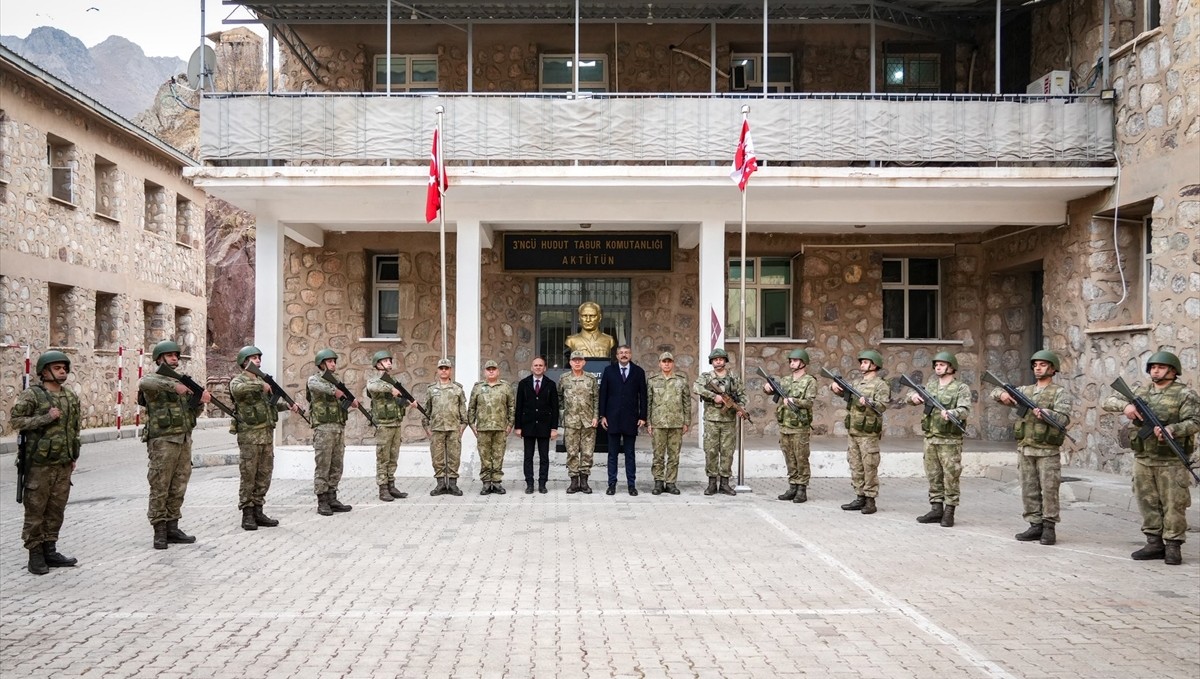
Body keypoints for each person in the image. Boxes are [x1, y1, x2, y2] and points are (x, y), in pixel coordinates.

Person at [1102, 350, 1199, 565]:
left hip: (1171, 460)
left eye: (1161, 367)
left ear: (1173, 371)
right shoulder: (1141, 392)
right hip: (1144, 458)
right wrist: (1126, 406)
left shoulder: (1185, 394)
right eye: (1153, 367)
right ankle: (1154, 543)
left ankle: (1173, 545)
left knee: (1174, 504)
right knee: (1147, 501)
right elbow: (1107, 401)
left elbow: (1194, 421)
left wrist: (1172, 429)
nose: (1155, 371)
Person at [990, 350, 1073, 545]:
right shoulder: (1025, 391)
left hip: (1047, 451)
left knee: (1049, 490)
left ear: (1052, 369)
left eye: (1043, 365)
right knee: (1029, 489)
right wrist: (1003, 395)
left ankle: (1049, 527)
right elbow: (994, 393)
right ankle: (1035, 525)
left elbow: (1064, 419)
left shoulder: (1059, 392)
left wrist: (1047, 414)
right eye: (1035, 365)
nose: (1038, 368)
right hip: (1026, 448)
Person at [11, 351, 81, 575]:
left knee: (56, 510)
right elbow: (16, 421)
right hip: (38, 464)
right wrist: (46, 418)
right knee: (36, 510)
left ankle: (50, 549)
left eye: (64, 368)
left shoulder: (70, 396)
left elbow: (74, 429)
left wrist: (73, 456)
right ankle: (35, 554)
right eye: (57, 368)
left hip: (62, 464)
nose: (62, 372)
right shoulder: (32, 395)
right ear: (44, 371)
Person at [138, 340, 210, 549]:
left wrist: (199, 401)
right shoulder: (154, 380)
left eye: (176, 355)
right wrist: (175, 387)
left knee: (178, 485)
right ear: (159, 358)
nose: (174, 358)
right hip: (163, 441)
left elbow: (190, 412)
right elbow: (144, 383)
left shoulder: (183, 382)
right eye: (169, 355)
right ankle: (159, 531)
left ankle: (172, 527)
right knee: (160, 485)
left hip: (183, 439)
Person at [229, 346, 299, 530]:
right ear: (244, 362)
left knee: (264, 474)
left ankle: (258, 511)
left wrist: (287, 406)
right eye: (253, 358)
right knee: (248, 475)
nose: (258, 360)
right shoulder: (239, 381)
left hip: (266, 436)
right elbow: (237, 390)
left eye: (258, 357)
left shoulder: (263, 381)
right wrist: (261, 385)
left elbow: (270, 406)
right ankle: (247, 514)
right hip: (249, 436)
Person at [907, 351, 972, 528]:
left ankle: (949, 511)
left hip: (949, 440)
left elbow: (965, 409)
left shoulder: (960, 388)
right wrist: (913, 397)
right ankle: (936, 509)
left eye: (942, 365)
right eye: (936, 365)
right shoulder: (931, 385)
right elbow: (910, 397)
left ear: (951, 367)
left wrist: (952, 413)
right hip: (931, 438)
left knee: (951, 476)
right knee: (933, 475)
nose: (938, 367)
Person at [830, 349, 890, 515]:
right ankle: (859, 496)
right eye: (861, 362)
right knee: (855, 465)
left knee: (869, 466)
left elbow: (883, 405)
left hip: (868, 434)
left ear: (874, 365)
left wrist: (870, 403)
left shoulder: (881, 385)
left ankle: (870, 500)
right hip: (854, 431)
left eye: (865, 362)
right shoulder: (857, 383)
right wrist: (835, 388)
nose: (862, 365)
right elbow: (846, 394)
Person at [306, 348, 356, 516]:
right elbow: (318, 387)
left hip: (338, 428)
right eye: (329, 361)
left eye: (334, 361)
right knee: (323, 465)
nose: (333, 364)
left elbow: (343, 397)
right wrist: (336, 392)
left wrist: (351, 400)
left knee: (336, 465)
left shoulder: (336, 380)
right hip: (323, 429)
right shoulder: (314, 379)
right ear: (321, 364)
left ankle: (332, 497)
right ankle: (322, 501)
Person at [763, 349, 817, 503]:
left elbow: (809, 402)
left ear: (803, 363)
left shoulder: (810, 381)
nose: (792, 363)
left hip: (799, 426)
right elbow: (773, 391)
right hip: (785, 425)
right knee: (789, 457)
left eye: (795, 360)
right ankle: (793, 486)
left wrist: (795, 401)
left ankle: (802, 489)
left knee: (801, 457)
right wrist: (766, 388)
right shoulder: (786, 380)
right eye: (791, 361)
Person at [693, 348, 747, 496]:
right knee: (711, 451)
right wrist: (713, 396)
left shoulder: (733, 378)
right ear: (712, 362)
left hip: (728, 421)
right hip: (711, 420)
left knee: (727, 452)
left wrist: (740, 408)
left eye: (721, 359)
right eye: (716, 360)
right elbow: (696, 387)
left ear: (725, 361)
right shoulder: (706, 377)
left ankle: (724, 483)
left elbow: (742, 395)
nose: (718, 362)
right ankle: (712, 483)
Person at [599, 345, 647, 495]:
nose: (624, 355)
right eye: (621, 353)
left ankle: (631, 485)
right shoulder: (609, 371)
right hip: (612, 418)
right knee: (612, 454)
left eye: (626, 352)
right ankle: (611, 484)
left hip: (631, 419)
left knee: (630, 454)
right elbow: (603, 394)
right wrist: (602, 415)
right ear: (617, 356)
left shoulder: (638, 372)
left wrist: (643, 416)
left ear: (630, 355)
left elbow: (643, 396)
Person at [366, 350, 409, 502]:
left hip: (395, 422)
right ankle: (383, 488)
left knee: (393, 457)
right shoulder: (374, 381)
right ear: (378, 364)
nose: (389, 363)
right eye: (385, 361)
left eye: (389, 360)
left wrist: (406, 400)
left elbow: (401, 398)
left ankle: (391, 485)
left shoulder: (393, 380)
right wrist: (391, 389)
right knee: (383, 457)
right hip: (383, 424)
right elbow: (372, 387)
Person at [646, 351, 691, 495]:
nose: (666, 364)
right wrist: (649, 422)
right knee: (658, 455)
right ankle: (658, 482)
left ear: (673, 363)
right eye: (664, 362)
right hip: (658, 423)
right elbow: (648, 402)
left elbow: (687, 402)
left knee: (674, 455)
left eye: (669, 361)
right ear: (659, 364)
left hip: (676, 423)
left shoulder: (681, 380)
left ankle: (671, 483)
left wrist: (686, 421)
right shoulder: (652, 381)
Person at [469, 360, 515, 495]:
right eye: (488, 369)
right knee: (484, 456)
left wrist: (510, 425)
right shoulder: (478, 387)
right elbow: (471, 407)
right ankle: (486, 483)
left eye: (493, 369)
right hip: (483, 428)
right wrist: (472, 425)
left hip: (500, 428)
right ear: (484, 372)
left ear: (498, 371)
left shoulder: (505, 387)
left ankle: (496, 482)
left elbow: (511, 407)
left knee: (498, 456)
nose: (491, 371)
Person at [515, 356, 560, 494]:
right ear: (531, 367)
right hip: (528, 425)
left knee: (544, 457)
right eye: (536, 365)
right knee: (528, 457)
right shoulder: (523, 383)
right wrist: (518, 427)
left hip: (544, 426)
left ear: (545, 368)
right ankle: (529, 483)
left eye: (541, 365)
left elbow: (555, 408)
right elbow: (519, 406)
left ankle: (542, 484)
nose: (538, 367)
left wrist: (554, 428)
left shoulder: (550, 384)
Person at [423, 358, 468, 496]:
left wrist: (462, 427)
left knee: (454, 457)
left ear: (450, 370)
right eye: (441, 368)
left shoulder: (457, 389)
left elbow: (463, 411)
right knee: (437, 458)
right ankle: (441, 484)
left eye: (446, 368)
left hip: (453, 429)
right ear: (437, 370)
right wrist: (427, 428)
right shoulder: (431, 389)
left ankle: (453, 485)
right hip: (436, 429)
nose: (443, 371)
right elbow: (426, 411)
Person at [560, 350, 599, 494]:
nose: (577, 362)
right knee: (572, 452)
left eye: (580, 360)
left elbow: (596, 399)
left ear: (584, 362)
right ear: (570, 362)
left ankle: (584, 481)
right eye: (574, 360)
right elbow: (559, 398)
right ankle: (574, 482)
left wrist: (595, 417)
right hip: (571, 422)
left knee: (587, 453)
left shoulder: (591, 379)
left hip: (588, 422)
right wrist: (563, 416)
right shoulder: (564, 379)